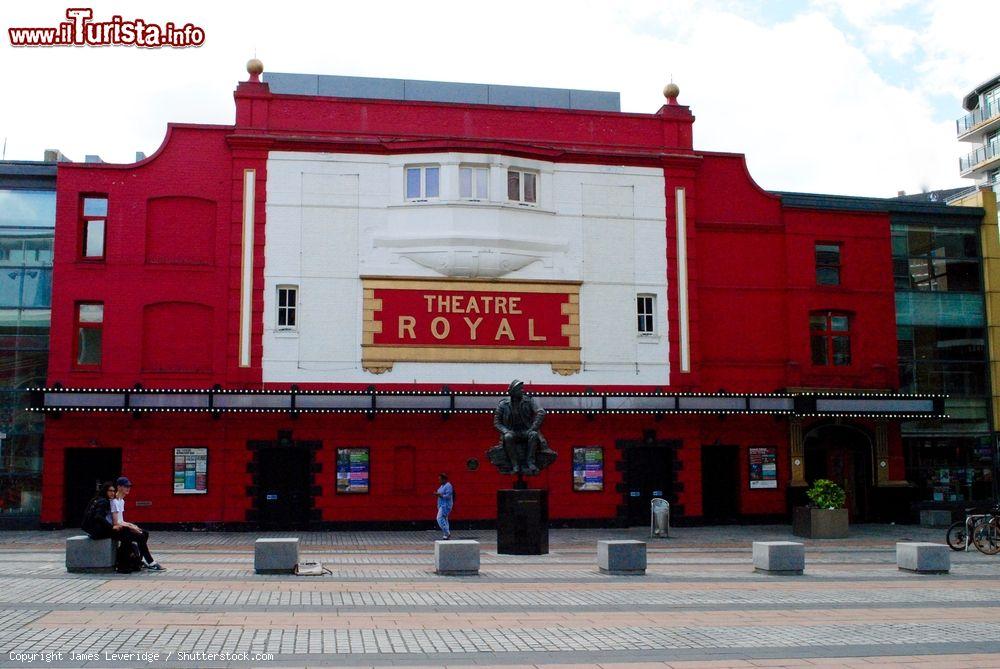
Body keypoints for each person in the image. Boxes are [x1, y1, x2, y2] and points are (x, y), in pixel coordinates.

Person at [112, 476, 164, 571]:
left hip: (122, 527)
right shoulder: (114, 501)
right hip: (116, 530)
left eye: (129, 486)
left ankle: (138, 561)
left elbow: (121, 519)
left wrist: (132, 525)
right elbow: (116, 522)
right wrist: (131, 527)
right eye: (125, 486)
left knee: (144, 533)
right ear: (119, 487)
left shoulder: (121, 501)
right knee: (140, 536)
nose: (128, 488)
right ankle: (150, 562)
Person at [434, 473, 453, 540]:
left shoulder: (448, 486)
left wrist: (439, 495)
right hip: (441, 505)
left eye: (440, 479)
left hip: (445, 505)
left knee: (439, 518)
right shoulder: (442, 486)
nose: (439, 481)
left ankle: (447, 533)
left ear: (444, 479)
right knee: (444, 519)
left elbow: (448, 496)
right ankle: (446, 535)